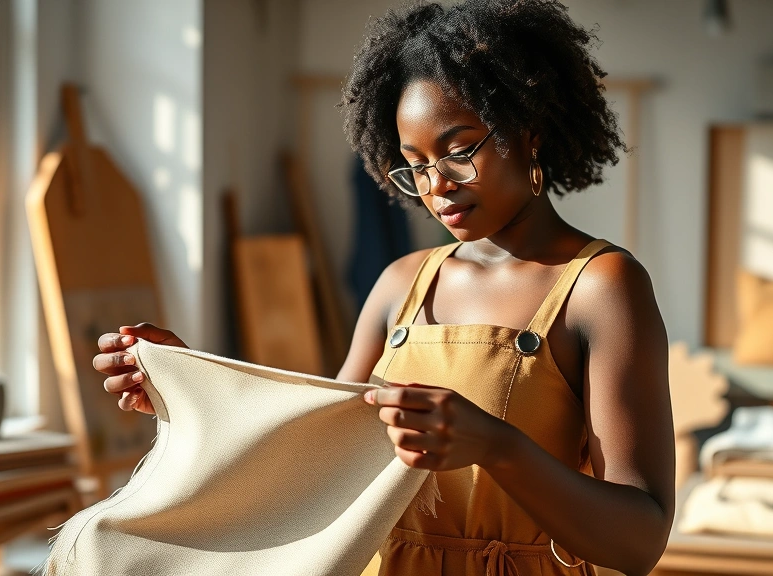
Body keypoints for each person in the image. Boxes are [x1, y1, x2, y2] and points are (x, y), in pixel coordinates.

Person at [93, 1, 674, 574]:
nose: (436, 185)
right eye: (415, 163)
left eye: (457, 150)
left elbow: (639, 541)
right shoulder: (402, 283)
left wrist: (498, 445)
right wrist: (190, 385)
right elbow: (314, 460)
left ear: (530, 132)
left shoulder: (602, 287)